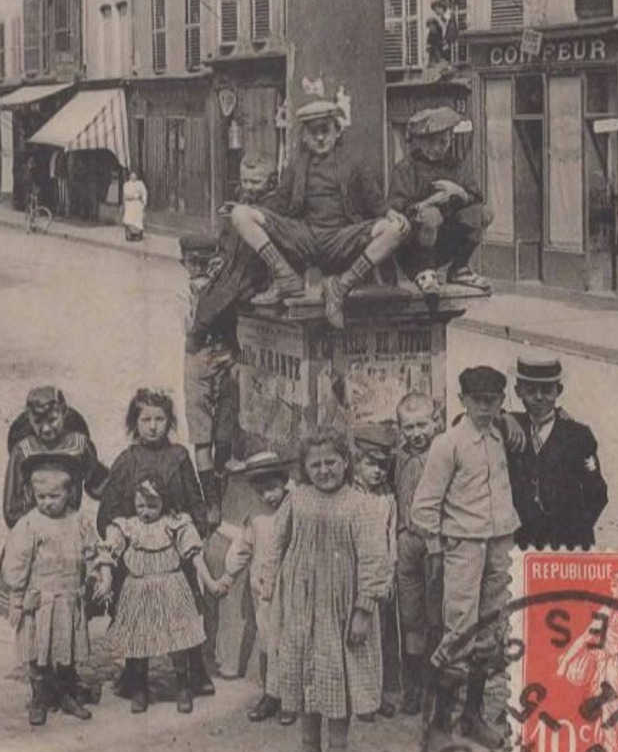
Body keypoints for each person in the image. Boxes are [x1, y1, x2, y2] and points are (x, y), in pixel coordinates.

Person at [261, 424, 392, 752]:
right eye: (316, 465)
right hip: (301, 606)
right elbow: (277, 542)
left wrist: (364, 609)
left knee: (336, 678)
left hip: (342, 609)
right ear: (305, 468)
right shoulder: (297, 500)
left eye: (331, 462)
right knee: (304, 673)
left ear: (347, 463)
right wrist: (268, 583)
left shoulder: (360, 505)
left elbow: (374, 559)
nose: (324, 471)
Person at [410, 366, 519, 750]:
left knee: (489, 632)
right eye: (478, 401)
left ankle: (472, 716)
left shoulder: (500, 435)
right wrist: (439, 547)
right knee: (459, 633)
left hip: (499, 541)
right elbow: (422, 507)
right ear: (463, 401)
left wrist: (506, 420)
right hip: (463, 546)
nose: (486, 408)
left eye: (494, 401)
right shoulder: (448, 444)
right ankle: (440, 723)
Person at [230, 99, 409, 330]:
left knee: (395, 229)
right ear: (304, 136)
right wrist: (251, 205)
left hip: (343, 237)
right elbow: (279, 205)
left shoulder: (355, 163)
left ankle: (341, 287)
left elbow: (376, 204)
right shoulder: (295, 166)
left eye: (325, 130)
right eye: (313, 133)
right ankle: (286, 277)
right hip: (304, 236)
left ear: (337, 131)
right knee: (240, 214)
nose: (320, 138)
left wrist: (391, 213)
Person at [96, 388, 213, 699]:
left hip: (174, 549)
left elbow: (194, 498)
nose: (152, 426)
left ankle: (195, 672)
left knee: (183, 612)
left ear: (169, 421)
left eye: (159, 419)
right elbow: (110, 508)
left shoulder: (179, 457)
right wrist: (121, 540)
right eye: (145, 419)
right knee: (136, 615)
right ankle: (134, 677)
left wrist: (192, 532)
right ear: (134, 423)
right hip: (137, 550)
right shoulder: (127, 461)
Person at [183, 155, 280, 519]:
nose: (250, 187)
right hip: (200, 353)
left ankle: (221, 482)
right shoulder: (197, 289)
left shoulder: (263, 213)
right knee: (202, 433)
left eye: (258, 182)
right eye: (246, 180)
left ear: (271, 183)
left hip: (228, 349)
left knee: (227, 426)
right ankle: (210, 498)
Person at [1, 460, 108, 727]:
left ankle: (67, 693)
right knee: (39, 650)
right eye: (41, 497)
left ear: (70, 494)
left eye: (54, 496)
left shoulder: (79, 521)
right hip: (41, 601)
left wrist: (99, 575)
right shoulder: (30, 525)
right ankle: (40, 696)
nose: (48, 502)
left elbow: (94, 551)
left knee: (66, 648)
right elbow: (17, 563)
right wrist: (19, 599)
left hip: (69, 597)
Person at [99, 479, 217, 715]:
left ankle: (182, 685)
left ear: (164, 501)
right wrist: (106, 581)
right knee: (139, 641)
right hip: (138, 588)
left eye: (152, 506)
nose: (146, 512)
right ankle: (140, 688)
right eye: (140, 505)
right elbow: (108, 553)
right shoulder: (127, 526)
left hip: (171, 585)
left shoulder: (175, 523)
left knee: (177, 639)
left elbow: (195, 556)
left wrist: (211, 582)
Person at [207, 452, 293, 721]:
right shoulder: (255, 517)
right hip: (265, 588)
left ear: (284, 481)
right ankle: (270, 696)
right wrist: (228, 577)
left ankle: (291, 699)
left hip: (294, 587)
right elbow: (242, 549)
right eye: (261, 490)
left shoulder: (297, 508)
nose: (269, 496)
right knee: (268, 640)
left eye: (273, 488)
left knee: (292, 641)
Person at [506, 354, 608, 550]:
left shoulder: (578, 436)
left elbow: (598, 493)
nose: (538, 397)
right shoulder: (510, 429)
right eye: (530, 390)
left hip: (567, 542)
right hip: (524, 541)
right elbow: (468, 421)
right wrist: (502, 417)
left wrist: (578, 529)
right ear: (518, 391)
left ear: (558, 390)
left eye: (546, 390)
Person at [387, 107, 492, 296]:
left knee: (483, 213)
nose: (437, 148)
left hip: (447, 241)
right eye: (429, 143)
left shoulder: (456, 166)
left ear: (451, 138)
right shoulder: (406, 168)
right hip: (413, 247)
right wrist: (429, 202)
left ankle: (459, 268)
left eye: (443, 142)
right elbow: (396, 209)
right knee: (431, 215)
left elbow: (476, 197)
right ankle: (425, 273)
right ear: (419, 141)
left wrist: (460, 192)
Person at [392, 391, 444, 715]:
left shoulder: (444, 453)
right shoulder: (399, 455)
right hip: (407, 540)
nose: (416, 434)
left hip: (435, 542)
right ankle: (412, 685)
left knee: (435, 613)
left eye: (421, 425)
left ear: (435, 422)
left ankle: (433, 686)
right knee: (410, 615)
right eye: (408, 427)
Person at [2, 385, 109, 531]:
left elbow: (98, 483)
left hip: (69, 526)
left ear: (63, 413)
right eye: (38, 422)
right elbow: (12, 506)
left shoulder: (79, 445)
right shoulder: (23, 451)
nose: (46, 429)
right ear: (29, 418)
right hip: (32, 529)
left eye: (52, 420)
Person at [353, 423, 400, 719]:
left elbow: (390, 536)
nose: (378, 472)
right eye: (371, 463)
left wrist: (392, 571)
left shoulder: (387, 498)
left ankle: (377, 694)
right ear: (356, 463)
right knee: (358, 638)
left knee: (381, 639)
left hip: (381, 577)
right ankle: (359, 698)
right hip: (356, 578)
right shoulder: (350, 497)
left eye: (383, 465)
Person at [122, 170, 148, 243]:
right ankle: (129, 234)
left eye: (134, 175)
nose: (133, 177)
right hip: (130, 204)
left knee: (137, 220)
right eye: (132, 175)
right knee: (129, 219)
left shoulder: (140, 184)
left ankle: (138, 234)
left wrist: (144, 202)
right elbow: (126, 194)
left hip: (137, 204)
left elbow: (144, 193)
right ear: (129, 176)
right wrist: (132, 196)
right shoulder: (126, 184)